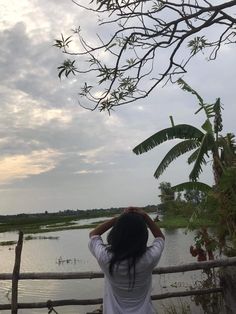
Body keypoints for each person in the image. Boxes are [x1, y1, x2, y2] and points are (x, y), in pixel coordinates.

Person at [88, 207, 165, 314]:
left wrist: (118, 219)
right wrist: (146, 217)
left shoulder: (106, 258)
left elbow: (93, 235)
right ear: (143, 235)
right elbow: (160, 238)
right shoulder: (149, 258)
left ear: (116, 234)